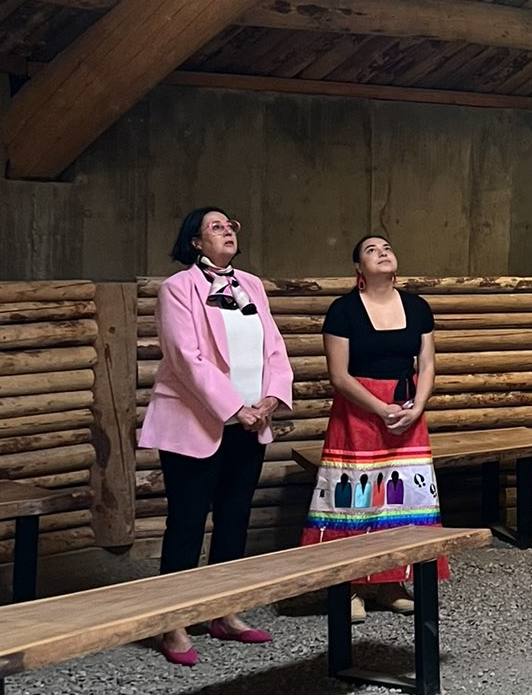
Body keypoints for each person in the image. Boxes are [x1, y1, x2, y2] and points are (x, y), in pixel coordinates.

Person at [140, 207, 294, 665]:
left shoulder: (251, 285)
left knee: (234, 517)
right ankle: (172, 622)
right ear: (195, 241)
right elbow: (186, 358)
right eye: (216, 226)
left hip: (250, 424)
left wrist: (270, 398)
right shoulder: (177, 288)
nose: (227, 231)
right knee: (187, 522)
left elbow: (274, 347)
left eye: (231, 225)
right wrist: (235, 407)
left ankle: (225, 612)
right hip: (196, 423)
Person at [301, 234, 442, 616]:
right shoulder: (343, 310)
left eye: (387, 248)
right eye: (371, 250)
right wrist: (381, 409)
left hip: (407, 410)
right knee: (355, 498)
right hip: (359, 412)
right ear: (358, 268)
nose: (382, 253)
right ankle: (348, 586)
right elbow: (339, 375)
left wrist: (417, 406)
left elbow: (427, 363)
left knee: (400, 498)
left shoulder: (417, 307)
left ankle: (391, 580)